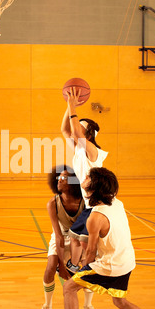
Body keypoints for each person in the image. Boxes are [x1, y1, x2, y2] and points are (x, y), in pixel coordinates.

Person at [51, 167, 155, 309]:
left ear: (94, 187)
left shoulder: (95, 218)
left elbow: (90, 252)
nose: (85, 177)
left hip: (111, 266)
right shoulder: (117, 203)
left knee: (69, 288)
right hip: (127, 262)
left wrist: (79, 268)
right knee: (120, 301)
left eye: (89, 177)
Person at [34, 166, 101, 309]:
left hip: (81, 237)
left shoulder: (85, 202)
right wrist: (61, 266)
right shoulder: (52, 203)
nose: (59, 180)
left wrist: (81, 258)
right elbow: (57, 235)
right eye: (58, 178)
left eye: (64, 178)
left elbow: (88, 232)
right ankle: (47, 306)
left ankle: (88, 306)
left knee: (88, 268)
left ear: (72, 182)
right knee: (50, 266)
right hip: (62, 237)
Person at [61, 87, 108, 274]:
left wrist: (74, 106)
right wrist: (68, 106)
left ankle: (83, 266)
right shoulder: (80, 150)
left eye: (80, 127)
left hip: (99, 203)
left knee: (80, 237)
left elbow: (76, 133)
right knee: (78, 237)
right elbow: (66, 130)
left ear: (88, 135)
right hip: (90, 202)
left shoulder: (93, 152)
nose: (75, 129)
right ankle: (82, 264)